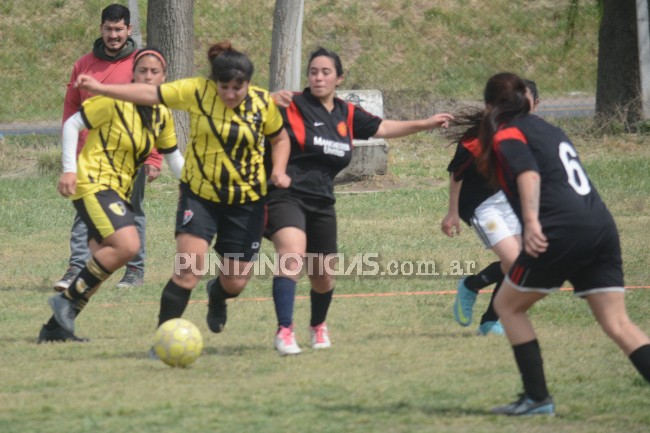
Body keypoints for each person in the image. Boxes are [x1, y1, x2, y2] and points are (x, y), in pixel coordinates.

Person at [73, 41, 292, 346]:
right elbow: (150, 93)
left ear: (249, 84)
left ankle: (217, 295)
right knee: (188, 271)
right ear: (213, 82)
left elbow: (280, 139)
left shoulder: (262, 103)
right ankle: (163, 340)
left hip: (246, 202)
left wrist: (279, 170)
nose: (229, 94)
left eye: (237, 88)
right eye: (223, 87)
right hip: (200, 196)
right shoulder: (196, 91)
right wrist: (102, 88)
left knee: (236, 281)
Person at [475, 72, 650, 415]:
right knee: (618, 324)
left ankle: (536, 398)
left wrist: (530, 222)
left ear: (489, 106)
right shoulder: (549, 129)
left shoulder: (509, 133)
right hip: (599, 225)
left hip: (561, 230)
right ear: (528, 99)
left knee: (508, 307)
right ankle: (536, 399)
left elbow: (529, 173)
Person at [266, 47, 454, 356]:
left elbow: (382, 127)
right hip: (286, 194)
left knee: (323, 274)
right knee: (291, 254)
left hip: (322, 201)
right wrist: (268, 98)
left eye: (325, 72)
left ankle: (318, 326)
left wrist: (426, 123)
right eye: (313, 71)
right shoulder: (293, 104)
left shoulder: (346, 113)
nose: (318, 77)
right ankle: (284, 331)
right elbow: (248, 106)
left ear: (339, 78)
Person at [41, 48, 183, 342]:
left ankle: (54, 330)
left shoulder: (161, 115)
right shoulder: (116, 101)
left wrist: (200, 185)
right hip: (93, 182)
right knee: (127, 245)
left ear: (163, 77)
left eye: (154, 72)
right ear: (133, 74)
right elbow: (73, 123)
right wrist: (69, 169)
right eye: (142, 70)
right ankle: (66, 301)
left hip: (118, 192)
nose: (147, 76)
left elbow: (174, 159)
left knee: (105, 261)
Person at [54, 3, 161, 292]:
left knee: (132, 210)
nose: (113, 35)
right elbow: (71, 110)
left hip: (130, 158)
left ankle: (134, 271)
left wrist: (153, 156)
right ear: (101, 29)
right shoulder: (84, 64)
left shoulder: (141, 65)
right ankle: (77, 267)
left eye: (119, 29)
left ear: (129, 30)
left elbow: (154, 109)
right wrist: (72, 157)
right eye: (108, 29)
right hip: (90, 158)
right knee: (84, 213)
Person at [442, 79, 540, 336]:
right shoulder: (484, 133)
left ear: (535, 105)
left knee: (521, 262)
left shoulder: (531, 131)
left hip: (507, 200)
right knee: (513, 261)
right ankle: (470, 286)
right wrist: (452, 212)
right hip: (480, 204)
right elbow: (457, 172)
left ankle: (489, 321)